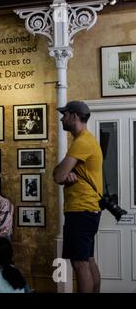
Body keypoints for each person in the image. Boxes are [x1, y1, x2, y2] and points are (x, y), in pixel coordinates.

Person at [53, 101, 102, 293]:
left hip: (80, 210)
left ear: (74, 116)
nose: (62, 118)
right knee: (88, 260)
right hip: (88, 210)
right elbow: (60, 173)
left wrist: (63, 174)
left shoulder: (81, 142)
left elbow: (57, 176)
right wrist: (64, 174)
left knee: (80, 264)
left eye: (64, 114)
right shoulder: (85, 140)